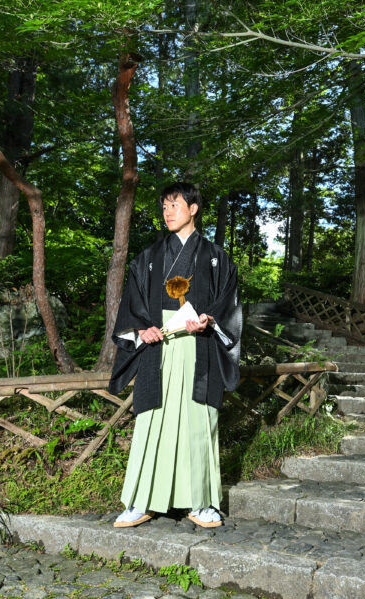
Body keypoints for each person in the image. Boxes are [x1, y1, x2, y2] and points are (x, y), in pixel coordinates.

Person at [107, 182, 241, 528]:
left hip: (199, 346)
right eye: (164, 207)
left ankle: (201, 503)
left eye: (174, 205)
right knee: (152, 422)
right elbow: (132, 304)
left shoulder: (216, 257)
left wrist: (210, 318)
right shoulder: (149, 258)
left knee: (198, 423)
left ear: (193, 209)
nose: (167, 212)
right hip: (159, 346)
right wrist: (142, 329)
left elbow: (228, 304)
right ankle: (141, 501)